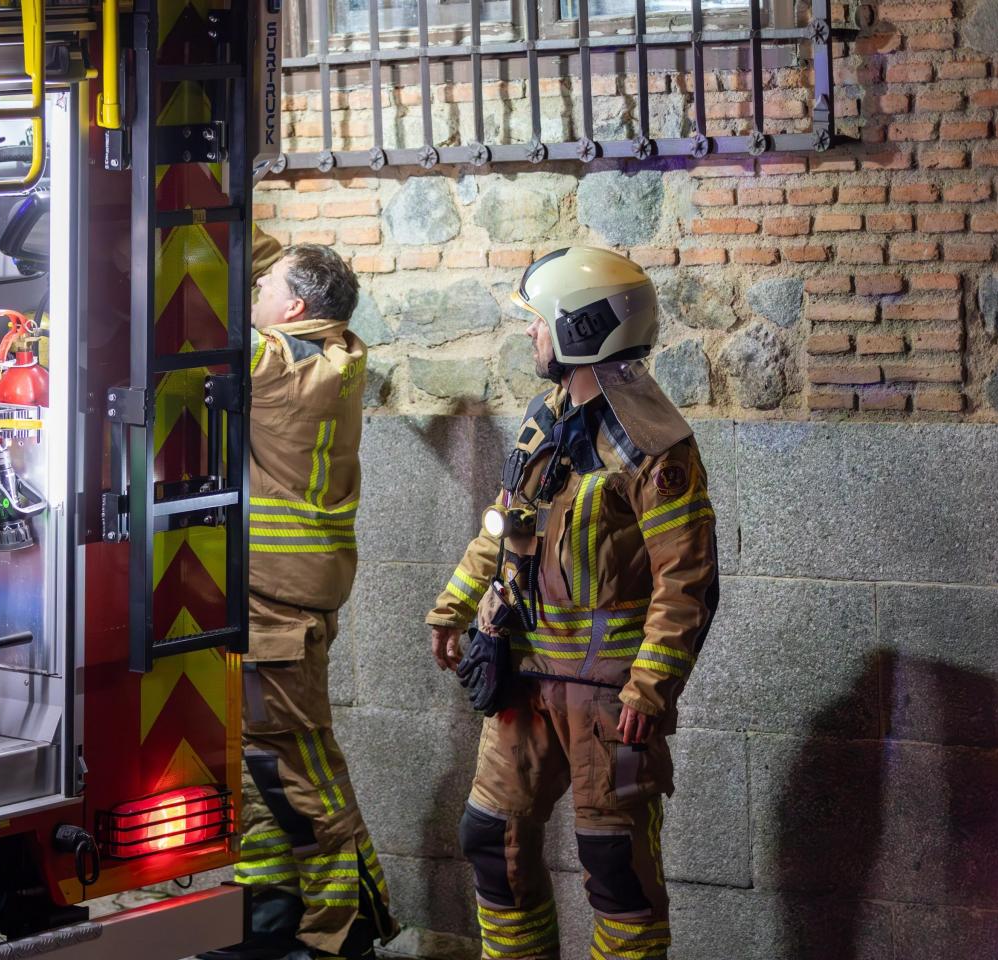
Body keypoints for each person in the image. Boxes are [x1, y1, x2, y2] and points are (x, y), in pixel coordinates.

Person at [426, 246, 719, 960]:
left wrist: (649, 691)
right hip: (523, 676)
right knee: (490, 840)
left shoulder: (655, 447)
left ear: (581, 329)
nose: (530, 334)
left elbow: (687, 583)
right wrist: (453, 607)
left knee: (614, 866)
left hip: (604, 698)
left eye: (539, 321)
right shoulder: (548, 416)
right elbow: (506, 524)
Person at [208, 237, 397, 960]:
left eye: (266, 289)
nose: (252, 297)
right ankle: (267, 916)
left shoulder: (279, 367)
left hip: (277, 611)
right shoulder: (335, 353)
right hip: (275, 603)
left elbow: (206, 321)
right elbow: (269, 270)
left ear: (293, 307)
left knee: (304, 773)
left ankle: (342, 931)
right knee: (260, 769)